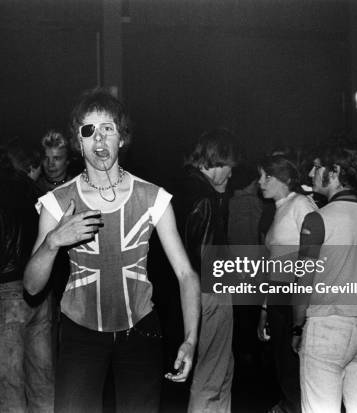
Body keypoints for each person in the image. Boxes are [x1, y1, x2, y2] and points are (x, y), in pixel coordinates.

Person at [24, 88, 200, 413]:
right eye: (88, 131)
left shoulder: (152, 197)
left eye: (108, 128)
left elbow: (186, 274)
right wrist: (53, 242)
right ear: (79, 143)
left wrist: (190, 339)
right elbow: (31, 286)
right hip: (80, 336)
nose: (99, 139)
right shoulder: (58, 202)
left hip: (141, 332)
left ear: (122, 138)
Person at [292, 144, 357, 413]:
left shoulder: (316, 220)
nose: (311, 172)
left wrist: (297, 328)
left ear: (335, 172)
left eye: (318, 166)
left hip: (327, 328)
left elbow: (303, 285)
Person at [0, 141, 54, 413]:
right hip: (40, 289)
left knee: (8, 386)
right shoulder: (35, 191)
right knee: (42, 382)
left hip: (5, 292)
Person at [176, 128, 238, 413]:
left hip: (188, 293)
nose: (231, 176)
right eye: (230, 168)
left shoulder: (180, 186)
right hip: (211, 294)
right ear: (219, 162)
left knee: (218, 370)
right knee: (212, 377)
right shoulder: (206, 198)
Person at [256, 154, 317, 413]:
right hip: (278, 294)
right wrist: (265, 310)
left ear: (285, 179)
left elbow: (317, 253)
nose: (260, 181)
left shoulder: (301, 204)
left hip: (295, 295)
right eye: (260, 175)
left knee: (296, 362)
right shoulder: (279, 209)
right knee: (283, 361)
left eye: (266, 176)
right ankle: (289, 405)